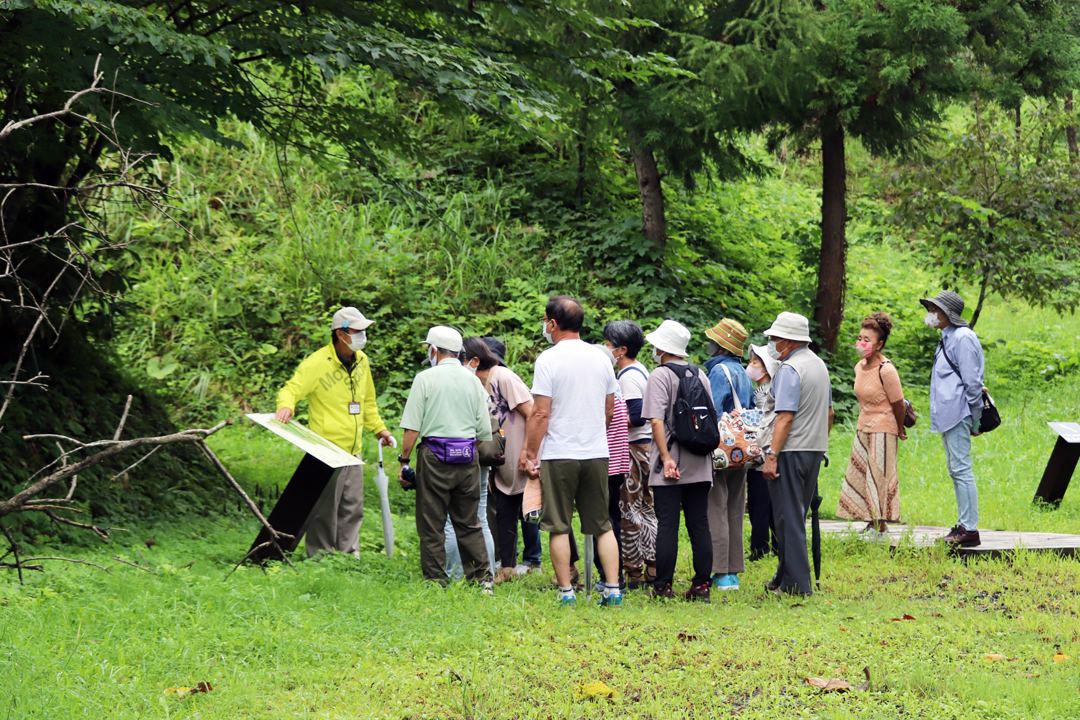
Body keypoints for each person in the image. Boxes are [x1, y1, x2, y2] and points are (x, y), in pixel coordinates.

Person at [519, 296, 622, 607]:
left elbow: (539, 413)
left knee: (559, 525)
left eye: (545, 320)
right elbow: (609, 408)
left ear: (552, 323)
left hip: (559, 453)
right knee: (602, 524)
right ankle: (613, 590)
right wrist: (592, 435)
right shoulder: (602, 357)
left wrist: (530, 454)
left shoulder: (548, 359)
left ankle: (567, 593)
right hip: (596, 452)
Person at [275, 307, 395, 558]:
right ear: (341, 333)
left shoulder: (362, 360)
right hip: (326, 451)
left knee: (353, 508)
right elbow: (291, 388)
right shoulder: (317, 363)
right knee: (324, 510)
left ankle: (349, 557)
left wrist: (379, 429)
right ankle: (321, 558)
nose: (363, 334)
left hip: (354, 451)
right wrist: (286, 406)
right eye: (358, 330)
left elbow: (368, 403)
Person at [397, 326, 493, 585]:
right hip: (467, 456)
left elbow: (412, 427)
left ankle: (436, 582)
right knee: (469, 522)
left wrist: (405, 461)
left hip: (434, 457)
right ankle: (482, 581)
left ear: (434, 350)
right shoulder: (473, 380)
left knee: (432, 523)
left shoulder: (425, 378)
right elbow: (485, 431)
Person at [761, 312, 833, 597]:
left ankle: (796, 585)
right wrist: (821, 443)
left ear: (789, 341)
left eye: (775, 338)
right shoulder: (819, 365)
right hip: (813, 450)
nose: (772, 343)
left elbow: (785, 417)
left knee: (787, 517)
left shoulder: (791, 369)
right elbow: (829, 413)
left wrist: (772, 455)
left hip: (790, 450)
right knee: (794, 515)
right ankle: (783, 575)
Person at [641, 319, 714, 602]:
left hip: (670, 464)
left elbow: (656, 422)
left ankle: (662, 587)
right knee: (699, 524)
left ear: (663, 347)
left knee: (668, 524)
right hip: (700, 461)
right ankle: (701, 587)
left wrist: (667, 458)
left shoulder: (659, 376)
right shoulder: (701, 374)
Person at [461, 337, 542, 583]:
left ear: (474, 360)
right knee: (505, 511)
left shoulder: (502, 377)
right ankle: (507, 568)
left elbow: (533, 412)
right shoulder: (477, 385)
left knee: (542, 511)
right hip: (502, 463)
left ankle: (568, 566)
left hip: (524, 458)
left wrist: (527, 451)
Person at [922, 291, 985, 548]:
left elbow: (972, 382)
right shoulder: (946, 338)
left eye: (935, 309)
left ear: (948, 313)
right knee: (956, 469)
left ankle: (969, 529)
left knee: (961, 469)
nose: (930, 314)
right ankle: (963, 525)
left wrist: (976, 418)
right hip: (949, 414)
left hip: (959, 412)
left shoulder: (963, 337)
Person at [837, 313, 907, 537]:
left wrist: (899, 427)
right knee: (862, 474)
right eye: (860, 337)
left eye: (867, 340)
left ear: (880, 345)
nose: (861, 343)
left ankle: (881, 526)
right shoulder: (859, 367)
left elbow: (898, 404)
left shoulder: (886, 370)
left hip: (884, 428)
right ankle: (870, 523)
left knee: (879, 476)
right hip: (863, 426)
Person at [602, 320, 657, 589]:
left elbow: (636, 416)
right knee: (645, 507)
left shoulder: (628, 376)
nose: (605, 349)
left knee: (630, 508)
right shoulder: (640, 370)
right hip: (645, 448)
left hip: (633, 449)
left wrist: (605, 419)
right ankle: (652, 566)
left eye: (608, 345)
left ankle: (634, 571)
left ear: (621, 349)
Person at [703, 318, 754, 591]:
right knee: (735, 508)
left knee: (716, 508)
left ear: (721, 345)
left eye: (713, 339)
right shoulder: (743, 371)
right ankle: (733, 571)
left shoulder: (718, 372)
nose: (708, 343)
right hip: (742, 450)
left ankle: (719, 571)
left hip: (721, 450)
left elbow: (712, 411)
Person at [745, 344, 780, 560]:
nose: (750, 366)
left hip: (761, 457)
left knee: (758, 505)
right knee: (773, 505)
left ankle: (759, 550)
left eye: (754, 362)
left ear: (766, 368)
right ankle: (777, 546)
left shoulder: (761, 394)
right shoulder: (773, 390)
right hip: (771, 455)